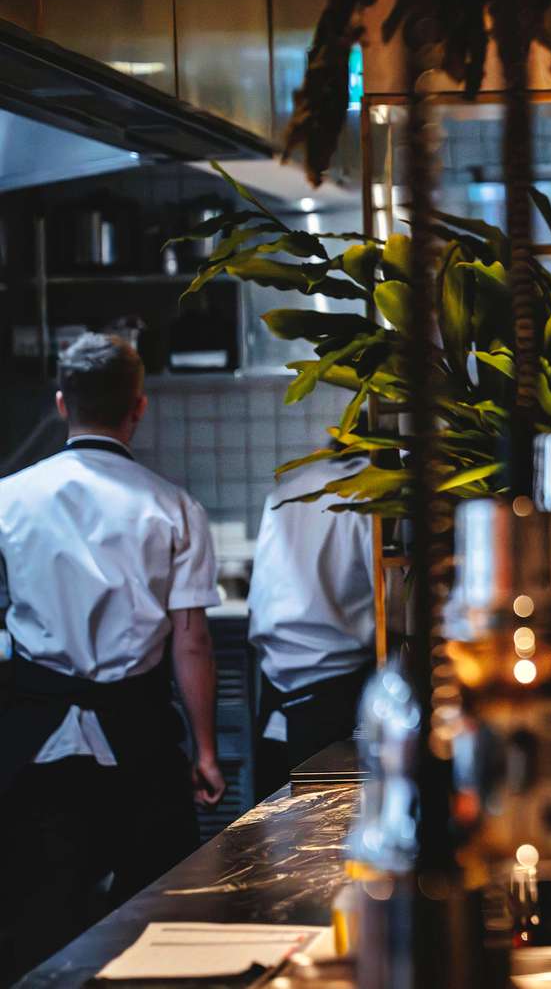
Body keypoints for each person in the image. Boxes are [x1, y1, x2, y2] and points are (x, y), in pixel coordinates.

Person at [0, 334, 224, 982]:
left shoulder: (7, 499)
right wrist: (206, 752)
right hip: (141, 743)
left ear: (61, 404)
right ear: (139, 407)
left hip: (35, 746)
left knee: (40, 921)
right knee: (158, 921)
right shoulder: (175, 507)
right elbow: (192, 642)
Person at [248, 450, 376, 800]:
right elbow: (388, 598)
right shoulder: (370, 493)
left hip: (275, 684)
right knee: (327, 820)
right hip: (337, 694)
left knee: (274, 822)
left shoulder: (288, 489)